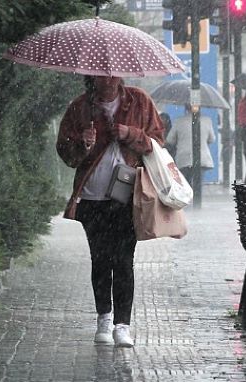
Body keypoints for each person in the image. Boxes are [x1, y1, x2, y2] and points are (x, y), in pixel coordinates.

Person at [56, 76, 164, 348]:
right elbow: (67, 154)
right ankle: (103, 318)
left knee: (124, 260)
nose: (108, 80)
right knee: (101, 260)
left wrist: (132, 135)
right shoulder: (80, 108)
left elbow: (158, 143)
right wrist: (83, 144)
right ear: (92, 77)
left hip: (127, 197)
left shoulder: (139, 101)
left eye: (113, 74)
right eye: (102, 75)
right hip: (92, 199)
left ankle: (122, 325)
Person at [166, 104, 216, 187]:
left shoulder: (179, 121)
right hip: (201, 157)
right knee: (197, 184)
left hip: (184, 158)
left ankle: (188, 197)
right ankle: (196, 198)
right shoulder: (207, 120)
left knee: (186, 185)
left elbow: (170, 140)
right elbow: (212, 139)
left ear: (185, 108)